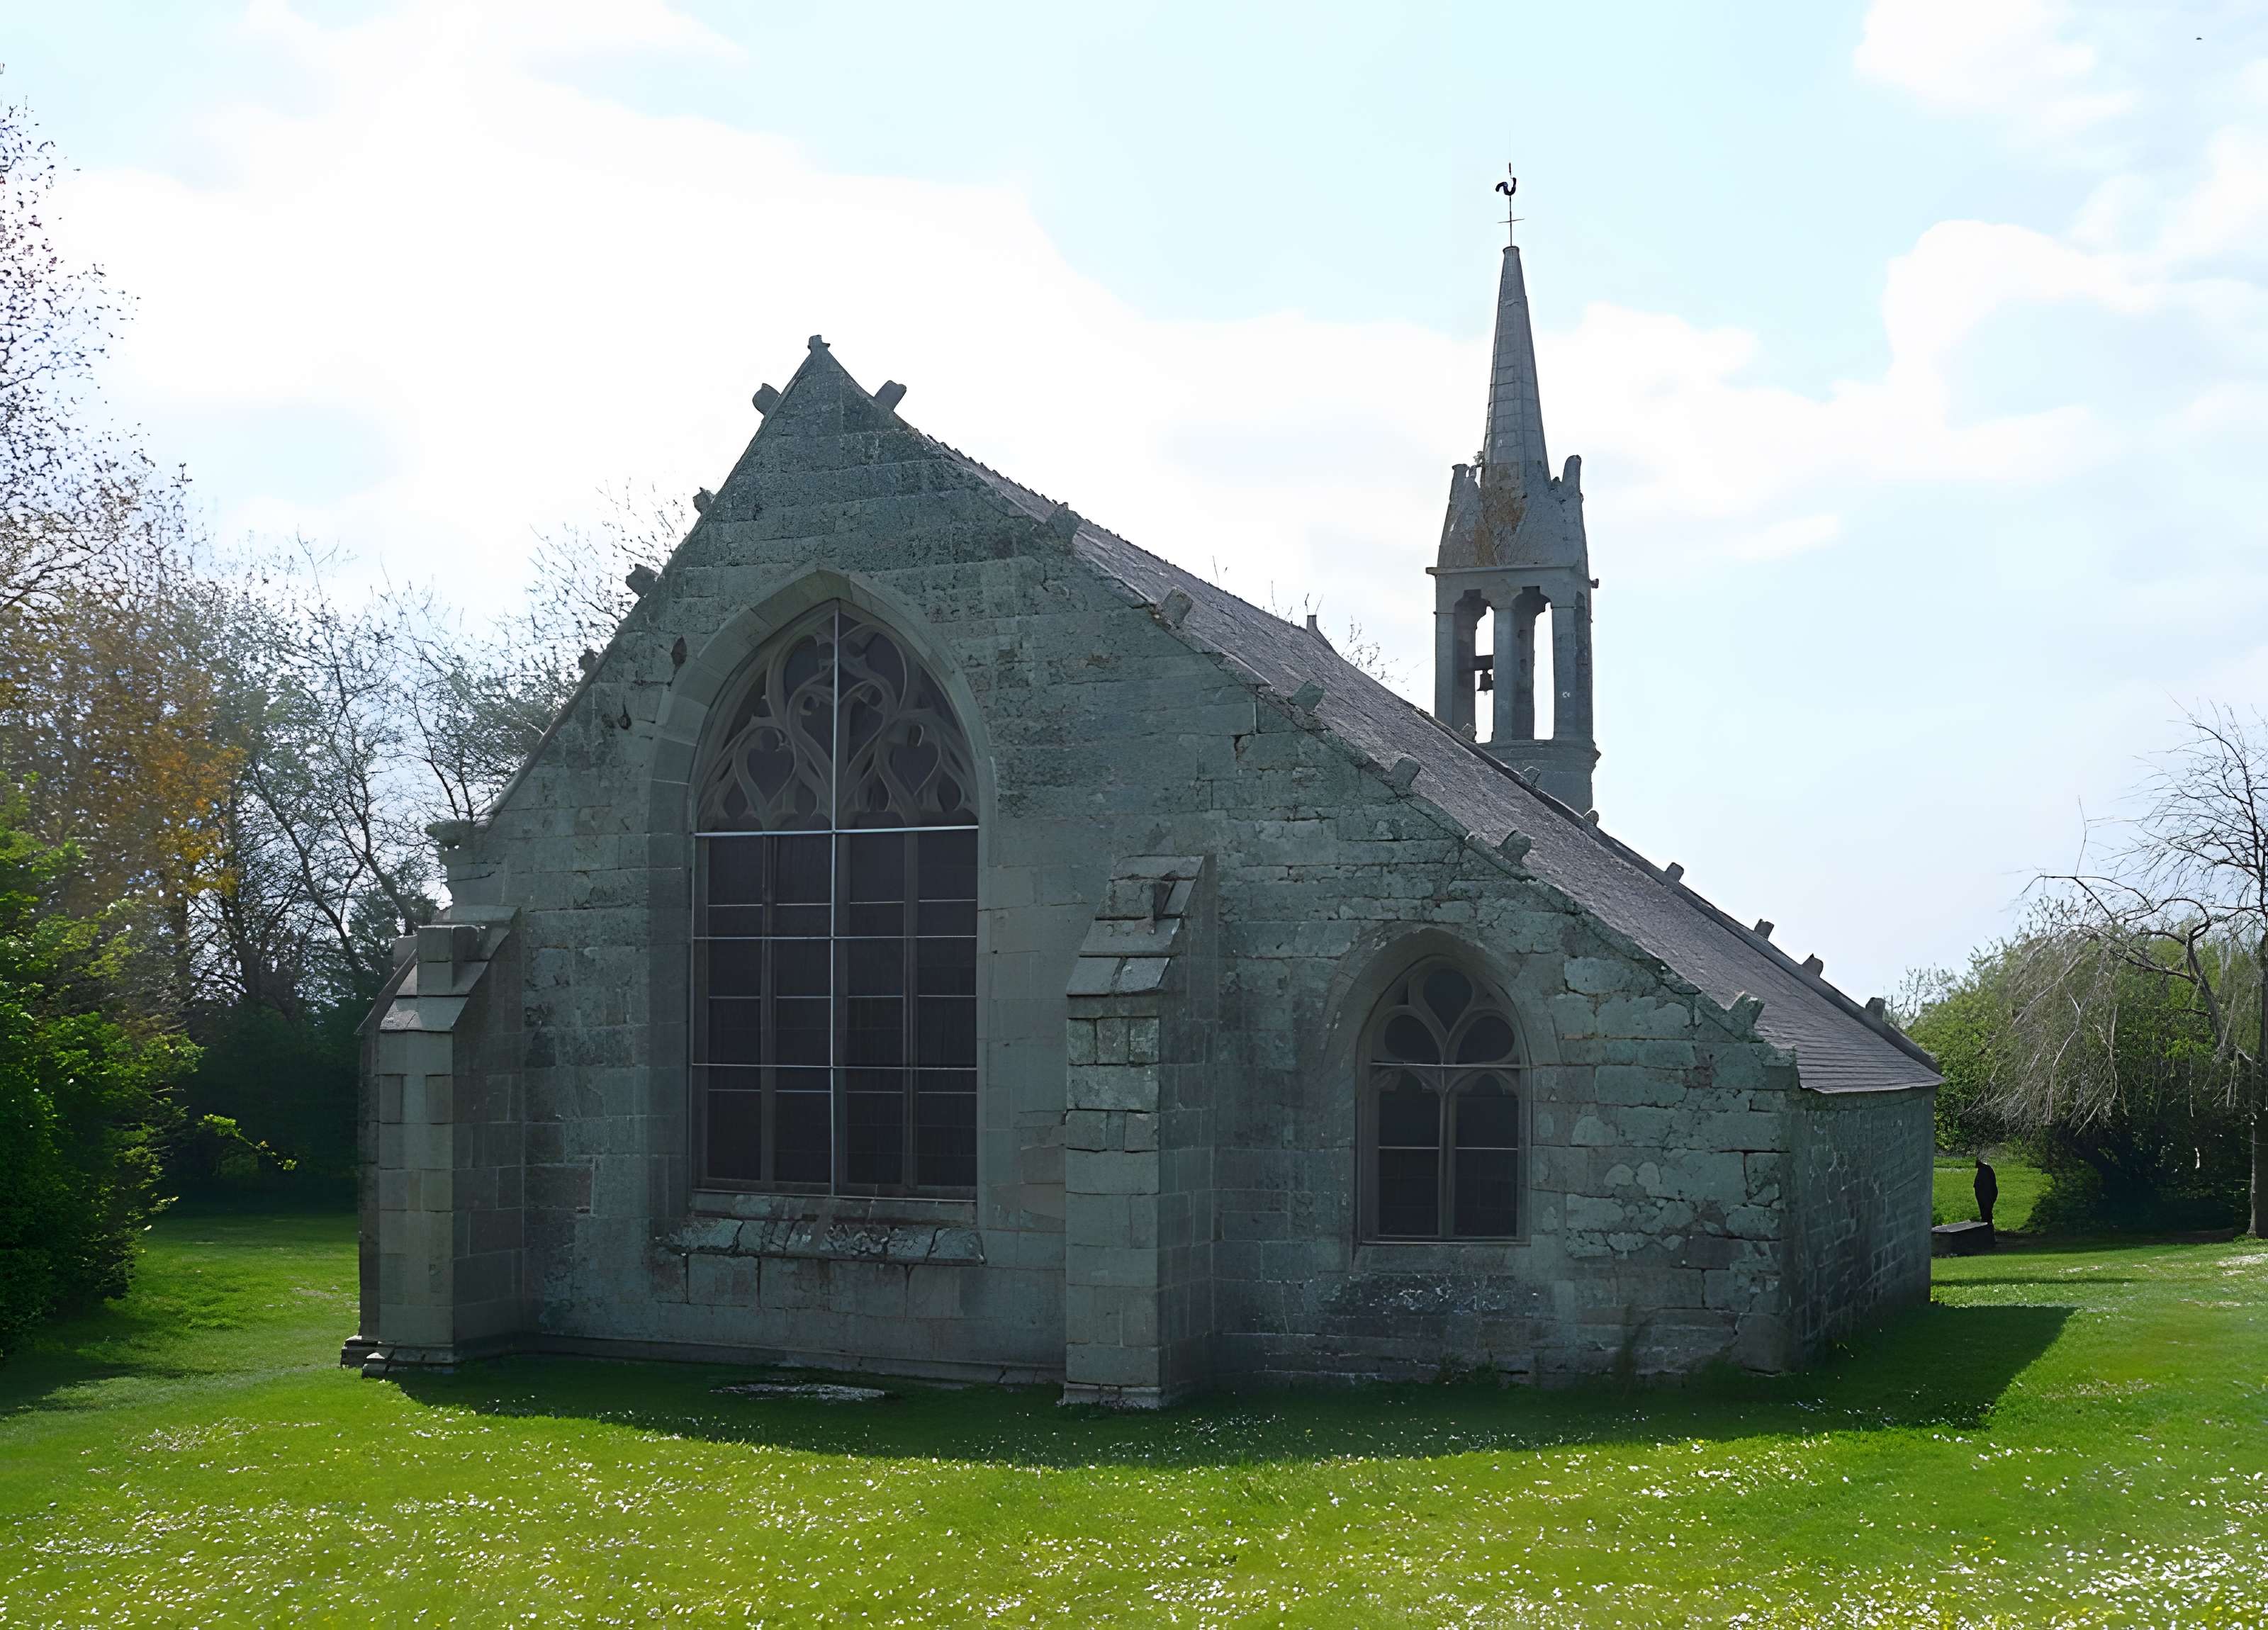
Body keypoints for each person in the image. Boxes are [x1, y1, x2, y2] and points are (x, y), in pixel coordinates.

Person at [1974, 1157, 1999, 1228]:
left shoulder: (1984, 1170)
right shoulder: (1985, 1169)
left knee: (1986, 1212)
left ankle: (1988, 1227)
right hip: (1988, 1194)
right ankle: (1988, 1226)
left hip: (1986, 1194)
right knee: (1987, 1211)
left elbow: (1981, 1185)